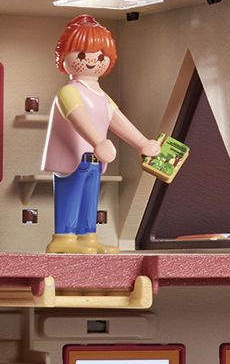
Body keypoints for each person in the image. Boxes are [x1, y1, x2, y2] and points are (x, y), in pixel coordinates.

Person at [40, 14, 162, 254]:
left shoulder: (101, 95)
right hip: (73, 159)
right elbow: (78, 117)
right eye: (82, 55)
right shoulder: (69, 92)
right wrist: (98, 141)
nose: (91, 61)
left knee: (89, 199)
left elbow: (117, 119)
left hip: (95, 160)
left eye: (100, 57)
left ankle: (88, 237)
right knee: (71, 195)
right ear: (63, 57)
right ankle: (64, 238)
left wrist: (141, 143)